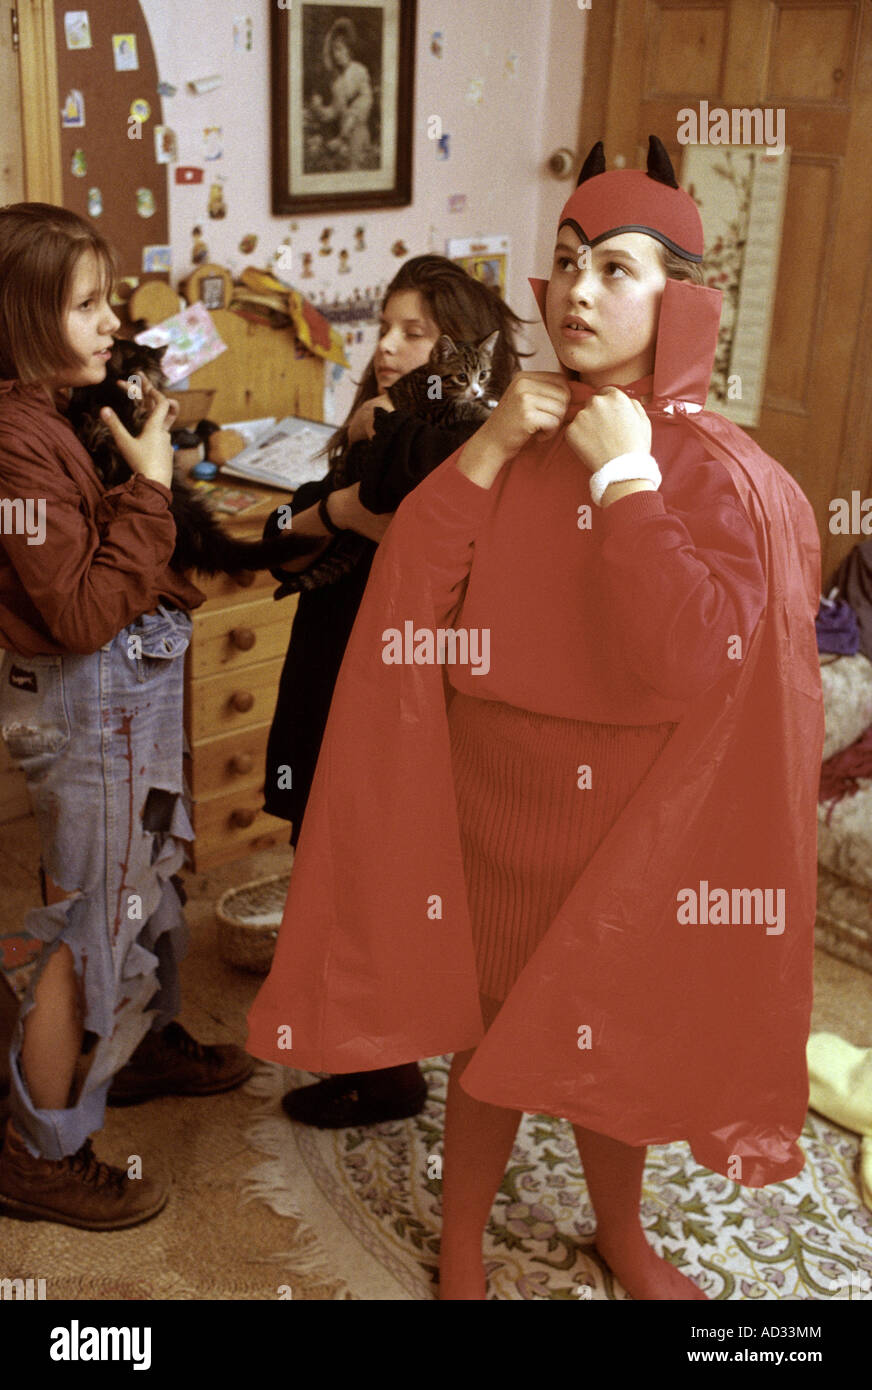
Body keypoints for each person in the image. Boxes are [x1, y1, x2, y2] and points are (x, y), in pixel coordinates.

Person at [246, 139, 823, 1299]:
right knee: (492, 1041)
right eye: (566, 262)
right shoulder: (500, 435)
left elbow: (687, 656)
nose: (576, 289)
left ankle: (626, 1233)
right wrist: (495, 447)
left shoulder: (721, 472)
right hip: (489, 794)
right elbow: (413, 592)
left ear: (683, 300)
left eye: (616, 269)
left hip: (628, 819)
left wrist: (625, 482)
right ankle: (460, 1249)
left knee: (614, 1030)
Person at [0, 203, 255, 1230]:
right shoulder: (13, 445)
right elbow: (72, 611)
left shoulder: (53, 407)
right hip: (85, 700)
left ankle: (140, 1048)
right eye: (89, 305)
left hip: (119, 694)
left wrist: (143, 459)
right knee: (84, 923)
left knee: (143, 883)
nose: (111, 323)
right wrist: (153, 490)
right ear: (23, 316)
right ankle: (38, 1148)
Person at [261, 253, 527, 1128]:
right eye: (383, 327)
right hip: (327, 671)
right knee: (324, 860)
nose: (386, 346)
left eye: (414, 331)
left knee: (374, 871)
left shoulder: (453, 442)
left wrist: (349, 492)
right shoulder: (377, 422)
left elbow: (400, 513)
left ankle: (387, 1069)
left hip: (386, 692)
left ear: (462, 346)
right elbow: (278, 530)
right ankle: (356, 1045)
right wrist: (331, 513)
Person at [309, 18, 374, 171]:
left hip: (357, 135)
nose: (336, 54)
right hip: (342, 139)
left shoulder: (359, 71)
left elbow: (364, 104)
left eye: (339, 49)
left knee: (356, 173)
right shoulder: (336, 81)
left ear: (348, 49)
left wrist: (342, 137)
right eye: (334, 51)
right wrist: (318, 109)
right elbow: (334, 112)